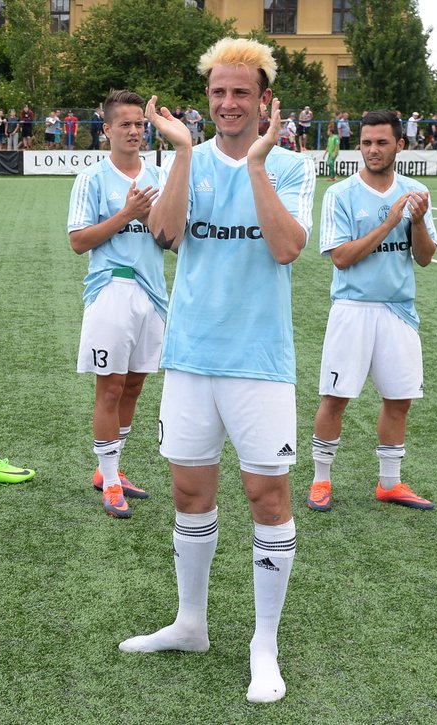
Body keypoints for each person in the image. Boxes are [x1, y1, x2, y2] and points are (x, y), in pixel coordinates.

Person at [120, 38, 316, 706]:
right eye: (218, 93)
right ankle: (191, 622)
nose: (228, 103)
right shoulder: (188, 159)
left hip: (260, 363)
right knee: (189, 495)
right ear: (207, 101)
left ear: (264, 101)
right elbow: (167, 235)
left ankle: (265, 642)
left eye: (241, 93)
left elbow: (288, 247)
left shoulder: (291, 166)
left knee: (267, 497)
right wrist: (178, 152)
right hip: (192, 357)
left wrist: (257, 165)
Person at [308, 110, 437, 514]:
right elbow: (342, 258)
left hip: (398, 311)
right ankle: (320, 480)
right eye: (366, 143)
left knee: (399, 400)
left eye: (382, 142)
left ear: (400, 144)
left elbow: (426, 257)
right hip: (352, 309)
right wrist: (389, 222)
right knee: (336, 397)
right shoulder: (340, 194)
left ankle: (389, 483)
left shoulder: (416, 191)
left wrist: (415, 222)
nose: (373, 150)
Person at [67, 90, 168, 519]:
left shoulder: (159, 177)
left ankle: (111, 468)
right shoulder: (92, 178)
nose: (133, 131)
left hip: (153, 294)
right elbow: (78, 241)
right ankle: (110, 482)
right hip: (111, 290)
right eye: (124, 124)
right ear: (106, 130)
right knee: (109, 387)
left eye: (138, 124)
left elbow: (173, 240)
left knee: (135, 384)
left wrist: (149, 217)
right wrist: (127, 214)